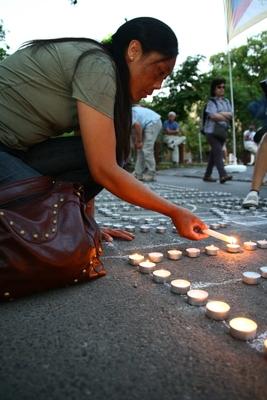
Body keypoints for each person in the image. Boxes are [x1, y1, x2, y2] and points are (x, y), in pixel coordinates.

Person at [0, 17, 208, 242]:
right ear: (134, 50)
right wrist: (173, 211)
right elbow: (104, 170)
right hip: (5, 151)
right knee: (41, 214)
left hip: (15, 152)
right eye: (159, 72)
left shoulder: (101, 75)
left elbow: (91, 161)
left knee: (57, 207)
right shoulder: (97, 66)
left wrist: (87, 225)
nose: (158, 86)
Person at [202, 77, 233, 184]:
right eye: (219, 87)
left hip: (222, 131)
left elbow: (231, 114)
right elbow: (212, 116)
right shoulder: (211, 102)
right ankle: (223, 175)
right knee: (218, 152)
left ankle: (207, 175)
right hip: (211, 131)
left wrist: (220, 114)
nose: (222, 89)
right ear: (214, 89)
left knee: (214, 154)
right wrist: (225, 115)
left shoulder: (226, 101)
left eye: (223, 87)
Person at [132, 105, 162, 182]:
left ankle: (151, 173)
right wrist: (138, 141)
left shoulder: (126, 113)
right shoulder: (128, 111)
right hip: (147, 123)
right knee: (141, 150)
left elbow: (137, 126)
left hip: (153, 122)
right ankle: (138, 173)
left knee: (147, 149)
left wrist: (139, 141)